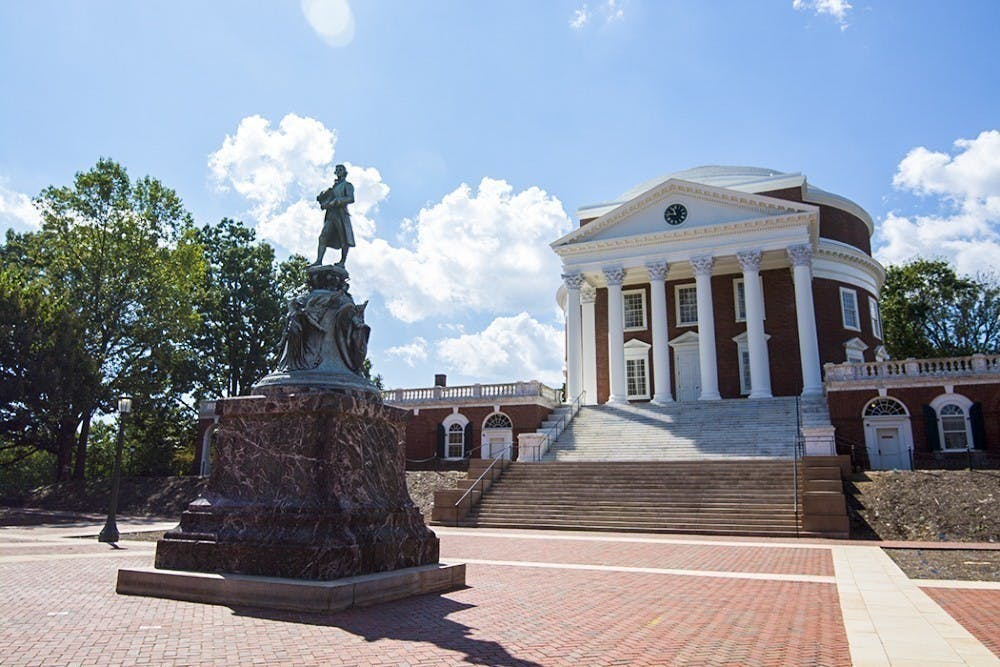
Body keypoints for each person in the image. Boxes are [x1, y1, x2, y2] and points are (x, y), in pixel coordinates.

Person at [313, 164, 355, 267]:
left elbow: (351, 198)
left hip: (341, 215)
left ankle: (342, 262)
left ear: (344, 172)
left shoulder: (347, 185)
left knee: (344, 238)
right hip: (331, 214)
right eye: (337, 170)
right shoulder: (332, 187)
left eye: (341, 170)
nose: (339, 171)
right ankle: (319, 260)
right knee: (323, 236)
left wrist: (338, 201)